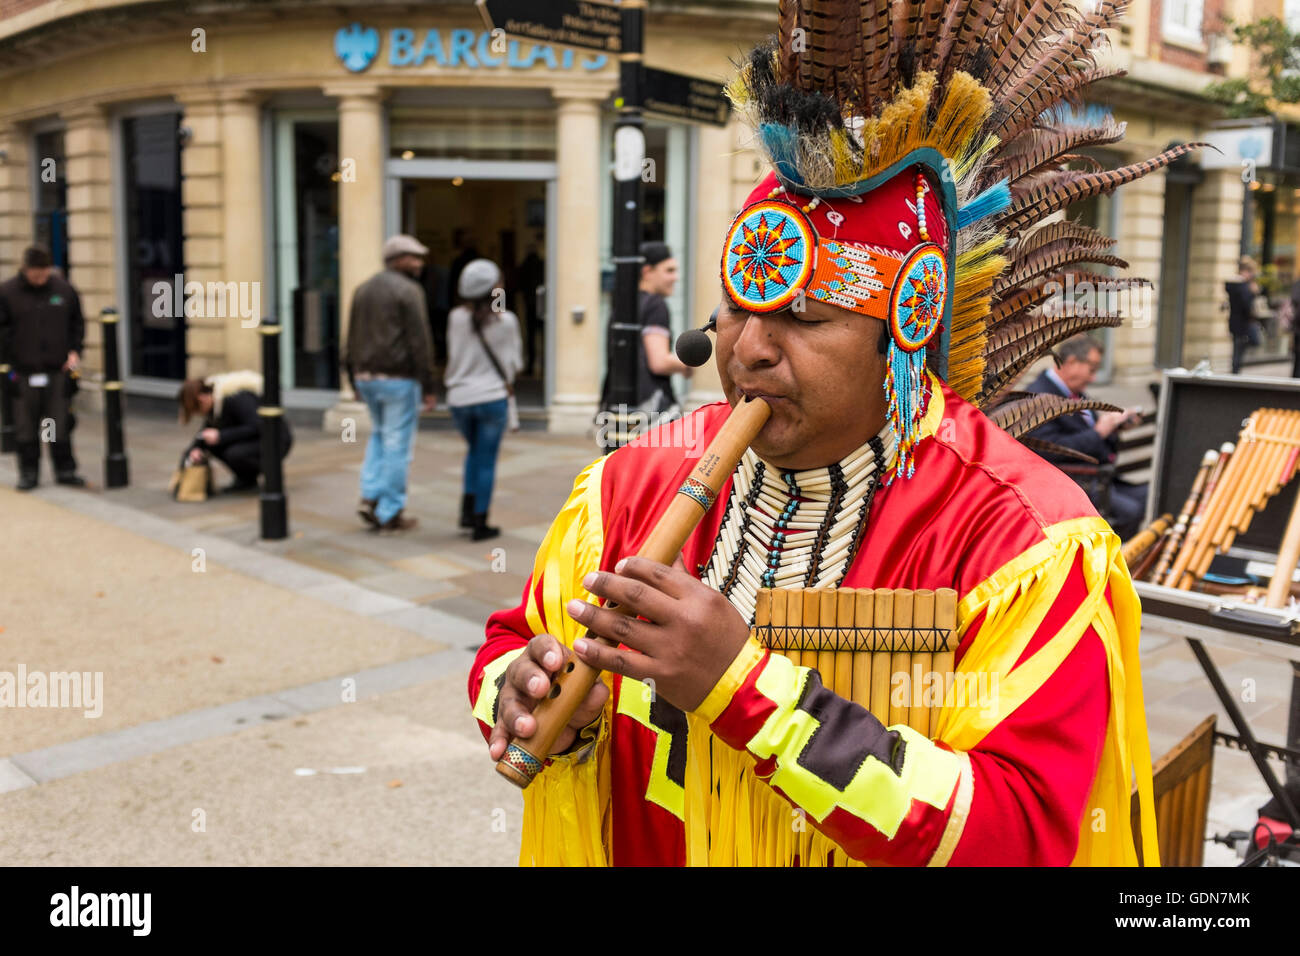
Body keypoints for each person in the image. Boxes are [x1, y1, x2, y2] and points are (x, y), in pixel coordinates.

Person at [469, 0, 1177, 867]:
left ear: (903, 332)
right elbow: (512, 636)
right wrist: (525, 694)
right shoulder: (630, 482)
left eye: (802, 316)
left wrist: (741, 688)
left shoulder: (1023, 542)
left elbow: (1017, 836)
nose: (749, 351)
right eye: (738, 308)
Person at [344, 234, 437, 533]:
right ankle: (390, 511)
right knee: (397, 444)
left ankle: (369, 496)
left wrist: (351, 376)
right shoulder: (409, 291)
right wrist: (429, 385)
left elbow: (350, 338)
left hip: (366, 377)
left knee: (380, 437)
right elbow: (419, 341)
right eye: (414, 257)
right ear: (398, 260)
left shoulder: (362, 289)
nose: (420, 263)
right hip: (398, 379)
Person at [1023, 336, 1148, 539]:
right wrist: (1099, 432)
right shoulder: (1038, 397)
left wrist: (1115, 428)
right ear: (1071, 362)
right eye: (1092, 369)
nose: (1093, 378)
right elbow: (1049, 449)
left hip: (1096, 479)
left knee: (1151, 494)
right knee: (1130, 511)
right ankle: (1113, 564)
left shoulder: (1073, 392)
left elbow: (1091, 437)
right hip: (1072, 484)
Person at [445, 259, 523, 540]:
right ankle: (480, 521)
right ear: (494, 288)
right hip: (491, 398)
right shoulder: (507, 321)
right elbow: (515, 364)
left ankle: (466, 511)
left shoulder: (455, 317)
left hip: (459, 399)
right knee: (486, 459)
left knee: (473, 452)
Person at [0, 244, 85, 490]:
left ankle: (64, 470)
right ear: (25, 269)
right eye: (35, 274)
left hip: (56, 371)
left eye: (44, 273)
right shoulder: (8, 293)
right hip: (23, 371)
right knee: (26, 426)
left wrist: (74, 351)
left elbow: (77, 323)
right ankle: (29, 473)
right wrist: (9, 359)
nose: (40, 279)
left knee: (56, 423)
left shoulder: (64, 290)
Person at [177, 371, 292, 491]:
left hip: (276, 440)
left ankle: (272, 475)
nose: (199, 414)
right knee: (212, 443)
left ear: (202, 398)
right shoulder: (215, 406)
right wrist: (195, 450)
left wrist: (221, 436)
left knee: (235, 453)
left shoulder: (236, 398)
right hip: (255, 439)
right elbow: (204, 433)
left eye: (197, 410)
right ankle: (246, 479)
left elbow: (257, 426)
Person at [1226, 256, 1260, 374]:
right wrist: (1253, 293)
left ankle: (1235, 373)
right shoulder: (1243, 286)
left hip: (1235, 322)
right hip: (1242, 322)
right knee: (1240, 351)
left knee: (1238, 349)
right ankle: (1235, 374)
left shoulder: (1233, 285)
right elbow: (1246, 304)